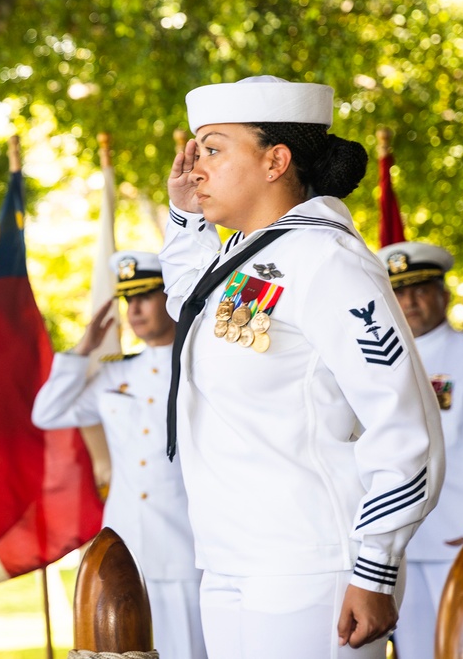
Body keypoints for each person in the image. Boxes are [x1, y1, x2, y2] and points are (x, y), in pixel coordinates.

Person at [158, 75, 445, 659]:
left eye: (213, 148)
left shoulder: (326, 260)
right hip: (231, 559)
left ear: (275, 161)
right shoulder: (252, 257)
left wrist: (376, 569)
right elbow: (190, 306)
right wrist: (185, 218)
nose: (196, 168)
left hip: (311, 565)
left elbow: (405, 427)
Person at [32, 250, 207, 659]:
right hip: (123, 548)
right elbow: (47, 413)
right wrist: (83, 349)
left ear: (172, 297)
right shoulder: (115, 372)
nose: (136, 309)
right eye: (129, 300)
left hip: (186, 547)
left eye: (146, 295)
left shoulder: (200, 366)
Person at [376, 240, 463, 659]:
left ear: (443, 293)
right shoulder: (380, 363)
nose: (409, 301)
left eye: (420, 288)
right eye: (398, 291)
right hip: (399, 545)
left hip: (462, 545)